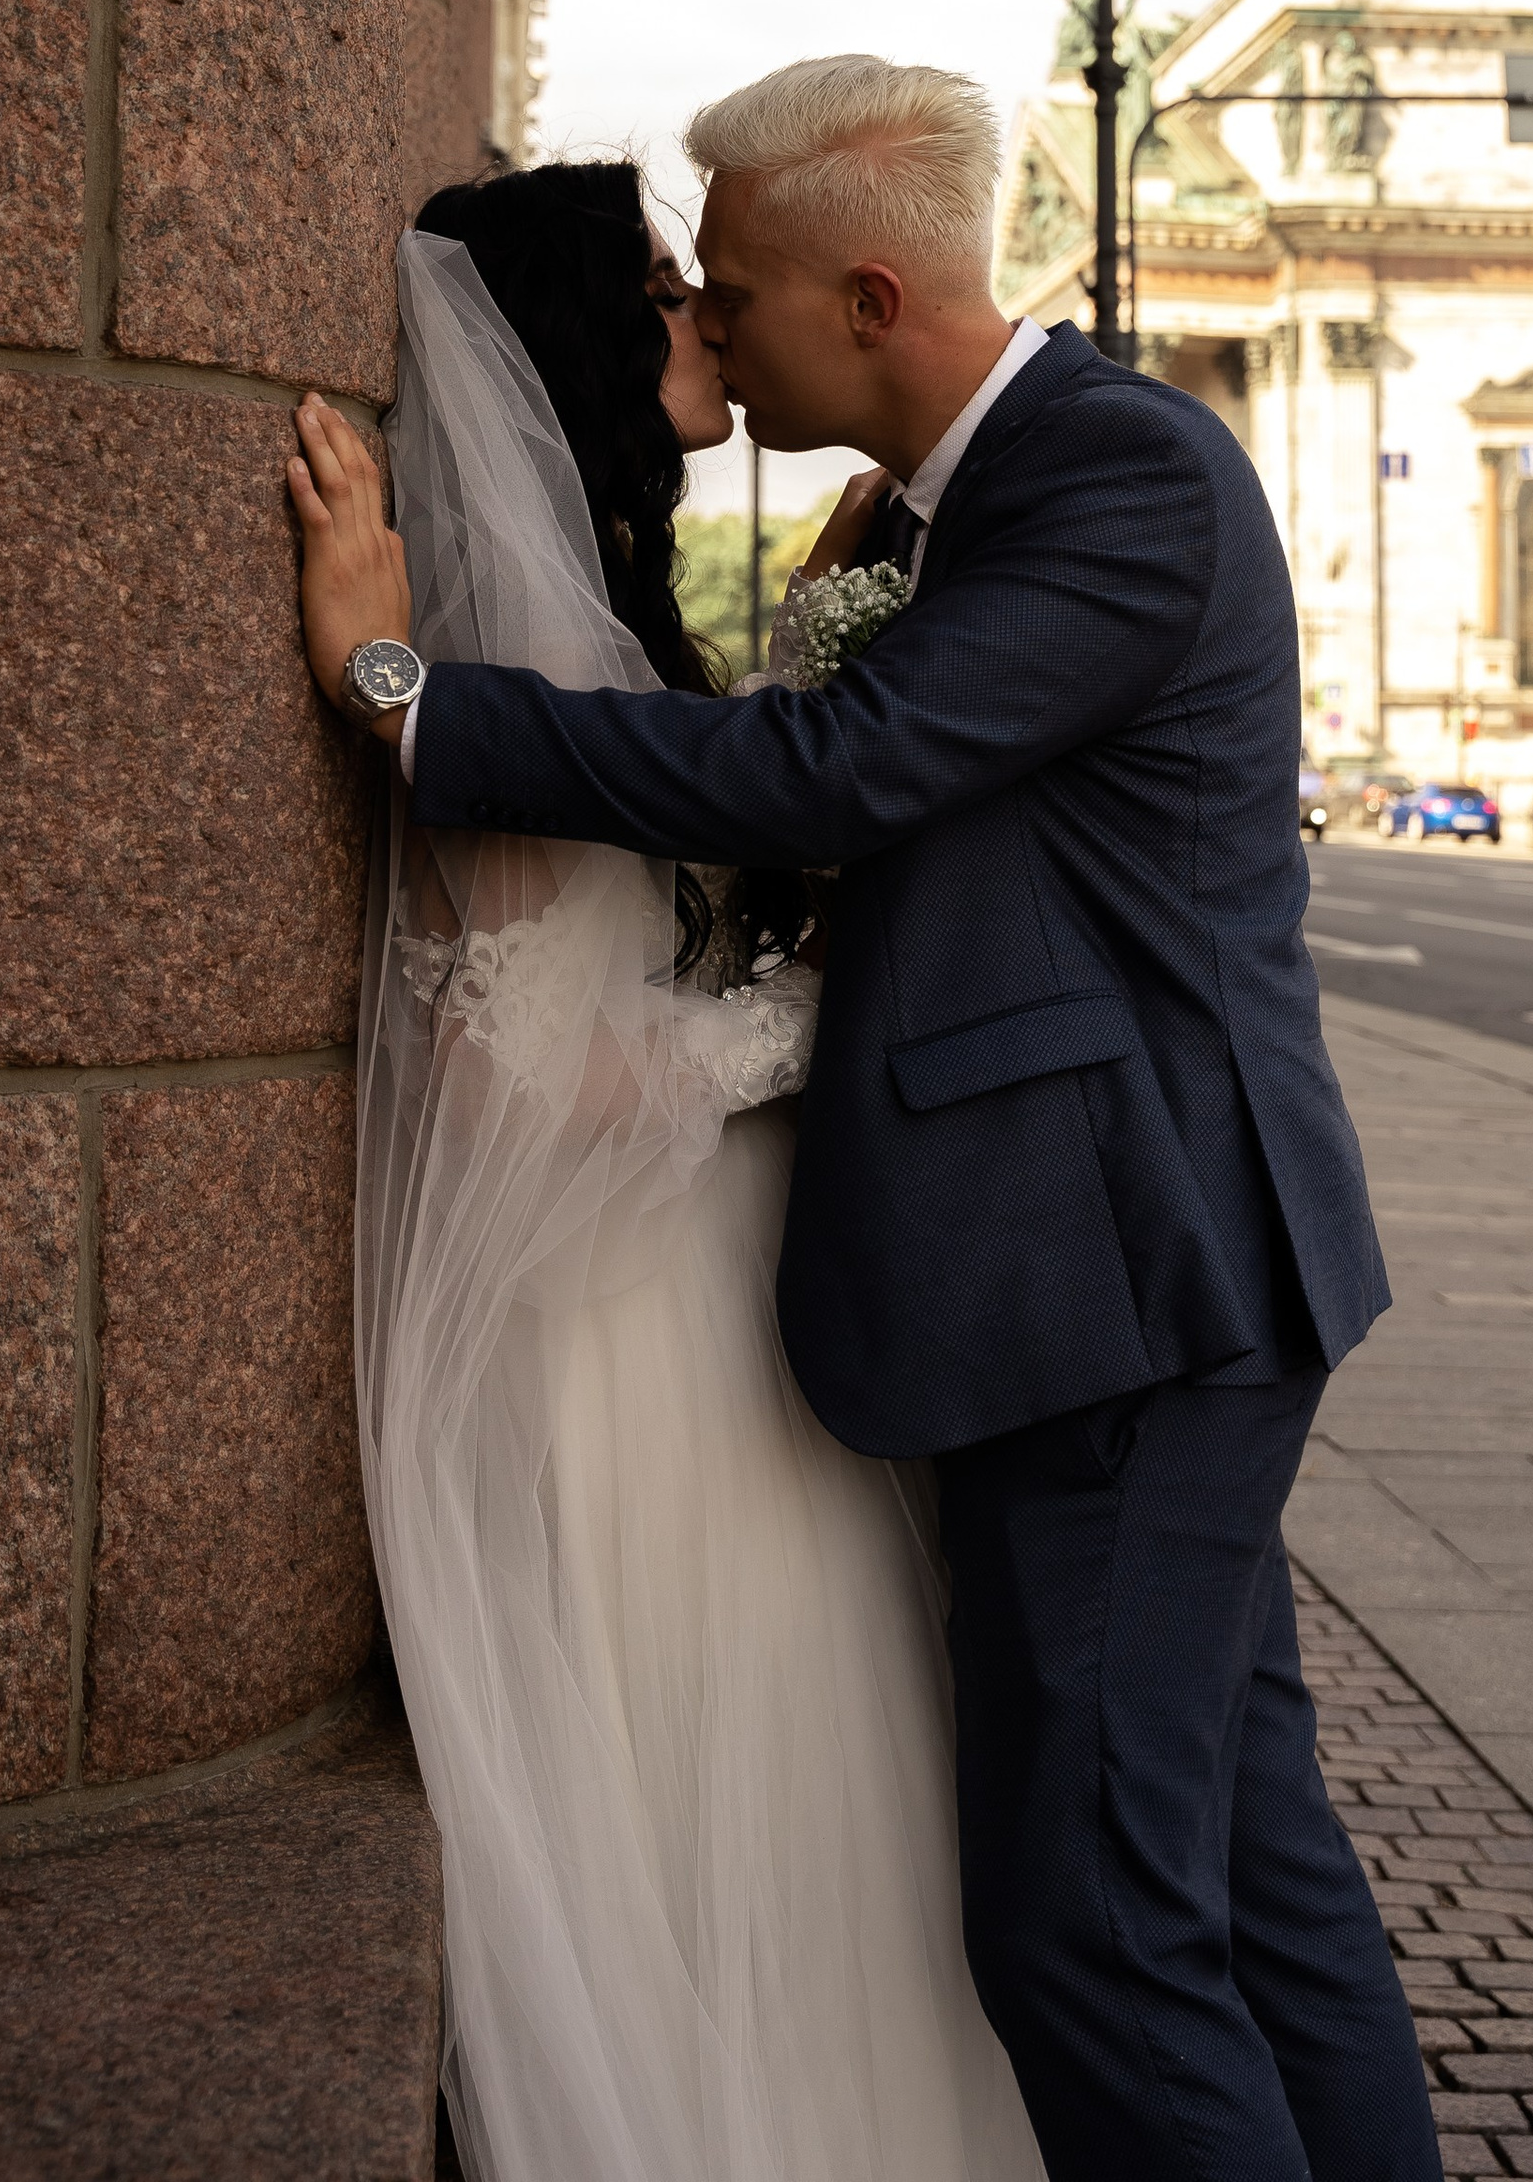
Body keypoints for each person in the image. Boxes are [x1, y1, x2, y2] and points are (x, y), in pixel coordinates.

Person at [291, 58, 1439, 2182]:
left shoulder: (1117, 475)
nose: (713, 335)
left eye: (733, 295)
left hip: (1118, 1281)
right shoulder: (946, 509)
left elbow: (836, 780)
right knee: (1239, 1865)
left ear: (873, 302)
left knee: (1092, 1927)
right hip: (1071, 1270)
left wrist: (399, 692)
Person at [316, 159, 1043, 2182]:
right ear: (577, 345)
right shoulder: (495, 642)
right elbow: (522, 1073)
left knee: (813, 1822)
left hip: (716, 1286)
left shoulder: (602, 627)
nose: (708, 318)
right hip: (631, 1329)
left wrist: (815, 668)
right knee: (741, 1813)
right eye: (665, 291)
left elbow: (724, 831)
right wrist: (821, 1012)